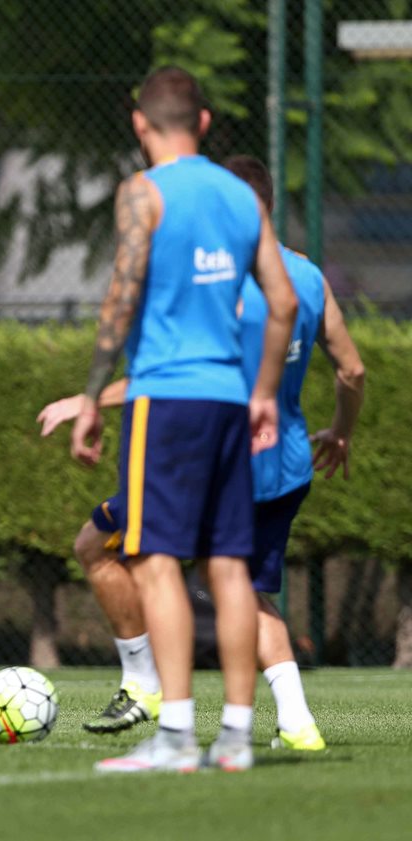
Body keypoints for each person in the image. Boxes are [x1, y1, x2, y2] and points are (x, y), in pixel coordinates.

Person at [39, 155, 365, 750]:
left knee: (121, 552)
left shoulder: (218, 286)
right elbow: (352, 370)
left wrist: (84, 401)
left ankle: (155, 697)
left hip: (207, 457)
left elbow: (173, 374)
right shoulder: (309, 278)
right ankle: (292, 720)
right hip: (287, 463)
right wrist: (341, 432)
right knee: (242, 584)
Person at [70, 67, 297, 773]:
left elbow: (122, 295)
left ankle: (174, 734)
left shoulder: (142, 193)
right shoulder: (241, 195)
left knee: (158, 559)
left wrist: (89, 394)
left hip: (163, 400)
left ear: (141, 125)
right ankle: (235, 735)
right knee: (230, 566)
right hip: (231, 399)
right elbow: (282, 302)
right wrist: (263, 391)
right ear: (202, 122)